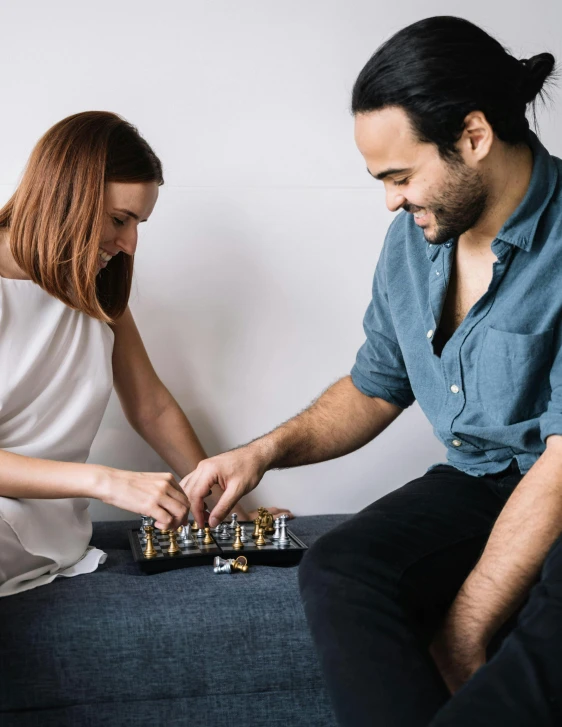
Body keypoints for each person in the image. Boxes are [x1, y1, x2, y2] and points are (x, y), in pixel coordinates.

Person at [180, 16, 562, 726]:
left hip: (558, 483)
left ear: (474, 137)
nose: (390, 200)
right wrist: (260, 452)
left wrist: (467, 624)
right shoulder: (413, 243)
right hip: (479, 482)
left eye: (401, 176)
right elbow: (374, 386)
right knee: (341, 569)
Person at [0, 111, 291, 597]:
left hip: (51, 537)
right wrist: (107, 482)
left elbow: (150, 407)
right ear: (63, 195)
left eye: (138, 223)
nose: (130, 244)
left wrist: (225, 510)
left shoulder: (94, 291)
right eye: (119, 219)